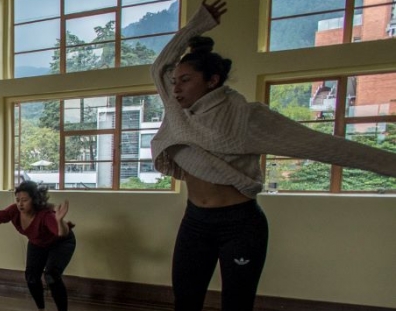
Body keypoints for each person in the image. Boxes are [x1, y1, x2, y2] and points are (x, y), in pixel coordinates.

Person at [150, 1, 396, 310]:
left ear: (212, 81)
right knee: (185, 302)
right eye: (175, 81)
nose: (175, 89)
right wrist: (197, 24)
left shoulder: (245, 118)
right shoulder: (177, 110)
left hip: (239, 225)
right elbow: (160, 66)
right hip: (195, 222)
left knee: (237, 305)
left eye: (185, 80)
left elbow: (319, 144)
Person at [0, 181, 75, 311]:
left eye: (24, 200)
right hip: (38, 242)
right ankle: (41, 309)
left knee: (51, 275)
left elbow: (62, 233)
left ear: (34, 200)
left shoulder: (45, 214)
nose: (20, 203)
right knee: (31, 277)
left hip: (61, 242)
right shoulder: (15, 210)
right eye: (17, 200)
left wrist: (59, 220)